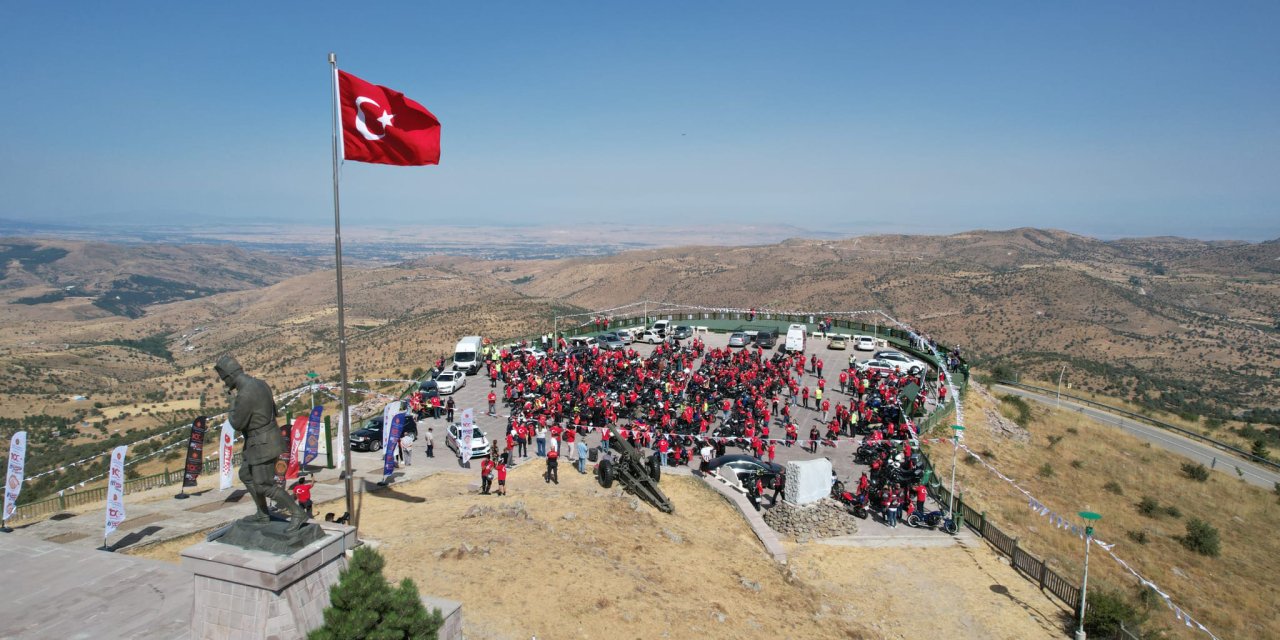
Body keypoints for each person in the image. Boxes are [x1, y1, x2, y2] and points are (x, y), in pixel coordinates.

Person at [214, 355, 308, 531]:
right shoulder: (260, 383)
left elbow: (237, 423)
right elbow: (275, 410)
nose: (225, 383)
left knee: (264, 484)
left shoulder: (244, 394)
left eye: (225, 379)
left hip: (262, 444)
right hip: (267, 438)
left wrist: (232, 403)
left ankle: (297, 513)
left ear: (229, 376)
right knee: (246, 474)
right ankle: (262, 513)